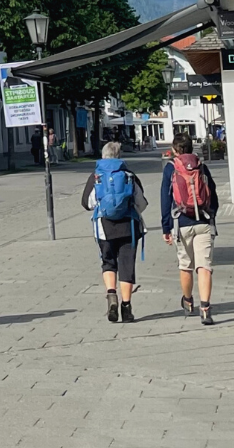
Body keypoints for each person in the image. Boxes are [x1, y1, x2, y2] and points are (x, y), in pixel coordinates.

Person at [81, 142, 147, 323]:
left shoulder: (96, 176)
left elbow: (86, 203)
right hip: (128, 226)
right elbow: (141, 202)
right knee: (127, 266)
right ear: (119, 156)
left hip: (104, 227)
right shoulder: (129, 175)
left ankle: (111, 297)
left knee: (108, 262)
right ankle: (126, 308)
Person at [161, 133, 220, 325]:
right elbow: (213, 194)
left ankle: (188, 302)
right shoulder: (201, 166)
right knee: (204, 266)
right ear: (191, 147)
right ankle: (205, 308)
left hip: (181, 223)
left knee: (185, 265)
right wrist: (211, 216)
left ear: (175, 150)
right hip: (203, 222)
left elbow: (165, 199)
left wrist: (166, 227)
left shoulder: (171, 168)